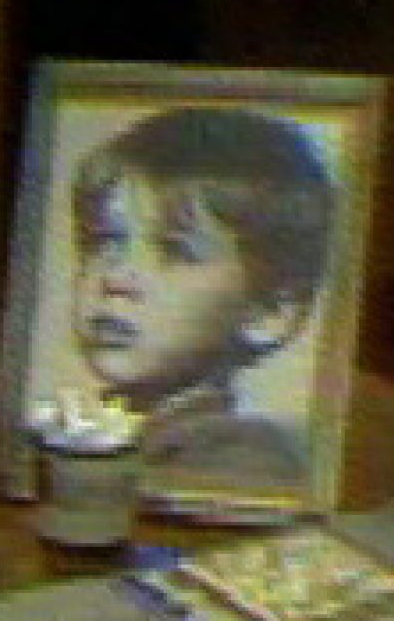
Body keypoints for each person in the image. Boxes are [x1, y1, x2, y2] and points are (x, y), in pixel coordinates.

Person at [63, 104, 337, 489]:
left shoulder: (239, 461)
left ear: (270, 312)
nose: (116, 279)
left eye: (176, 252)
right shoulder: (94, 427)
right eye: (106, 241)